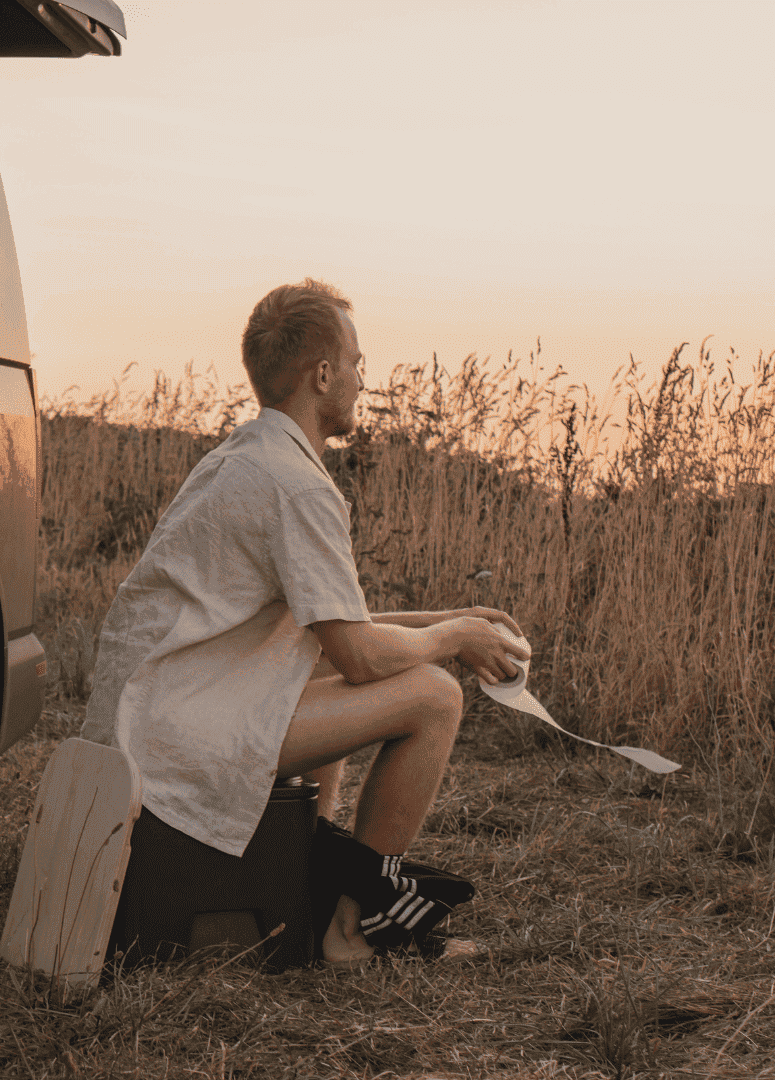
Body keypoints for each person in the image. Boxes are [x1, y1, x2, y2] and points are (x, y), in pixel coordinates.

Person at [80, 278, 529, 964]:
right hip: (180, 732)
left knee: (344, 680)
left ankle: (303, 890)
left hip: (162, 711)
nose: (360, 379)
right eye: (356, 363)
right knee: (434, 698)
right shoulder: (295, 485)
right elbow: (359, 656)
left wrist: (452, 618)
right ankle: (352, 930)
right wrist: (453, 643)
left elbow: (335, 627)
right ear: (323, 374)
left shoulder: (248, 457)